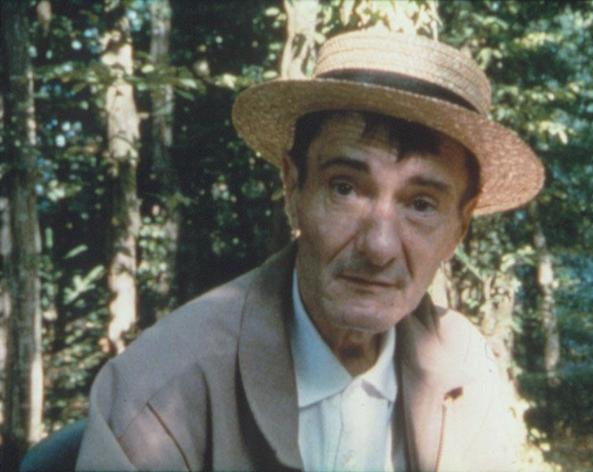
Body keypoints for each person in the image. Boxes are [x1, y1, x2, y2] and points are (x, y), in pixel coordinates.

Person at [76, 29, 544, 471]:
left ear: (460, 227)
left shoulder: (463, 368)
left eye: (421, 204)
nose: (379, 246)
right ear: (293, 187)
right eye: (346, 188)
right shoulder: (163, 389)